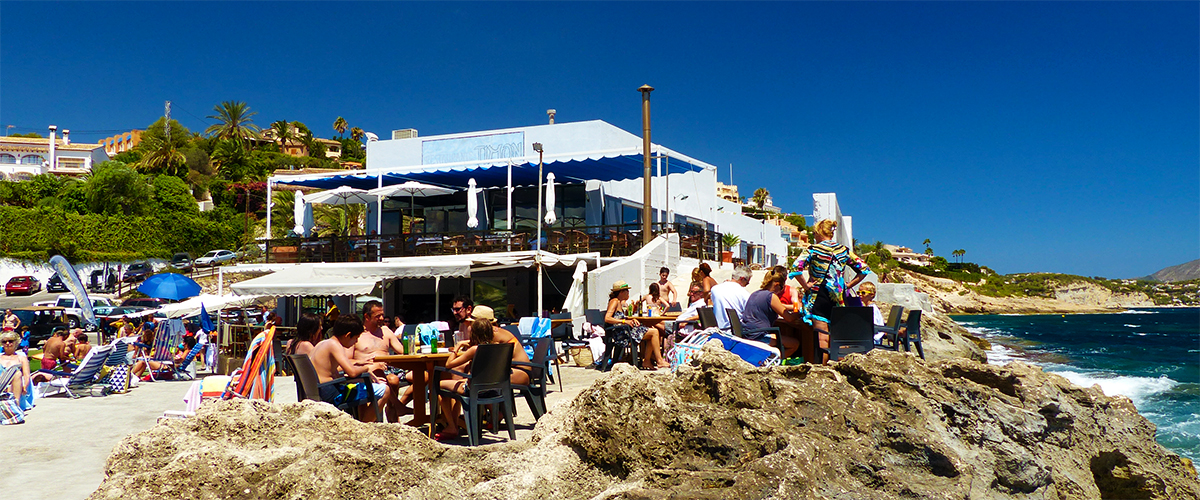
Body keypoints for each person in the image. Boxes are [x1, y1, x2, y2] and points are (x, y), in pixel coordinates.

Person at [436, 315, 532, 440]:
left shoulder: (474, 350)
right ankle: (465, 420)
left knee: (438, 385)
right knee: (463, 376)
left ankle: (452, 426)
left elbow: (449, 364)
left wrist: (457, 347)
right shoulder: (497, 346)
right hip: (492, 387)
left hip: (474, 389)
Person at [795, 219, 872, 361]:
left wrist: (806, 286)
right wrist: (848, 285)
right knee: (840, 337)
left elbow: (796, 268)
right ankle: (841, 368)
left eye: (814, 233)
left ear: (819, 232)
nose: (814, 236)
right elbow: (864, 269)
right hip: (839, 297)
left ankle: (823, 369)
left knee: (822, 338)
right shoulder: (843, 250)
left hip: (819, 296)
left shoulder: (813, 249)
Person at [309, 314, 381, 422]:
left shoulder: (322, 343)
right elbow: (352, 372)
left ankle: (361, 421)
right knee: (385, 390)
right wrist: (366, 368)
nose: (356, 342)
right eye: (356, 338)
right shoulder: (335, 345)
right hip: (331, 393)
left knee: (360, 385)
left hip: (318, 390)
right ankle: (364, 426)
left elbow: (331, 371)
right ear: (348, 335)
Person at [354, 300, 405, 423]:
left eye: (382, 315)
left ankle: (394, 414)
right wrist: (369, 365)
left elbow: (402, 351)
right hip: (365, 373)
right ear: (366, 316)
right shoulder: (357, 334)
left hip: (387, 370)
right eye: (378, 316)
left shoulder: (385, 331)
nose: (382, 318)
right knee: (388, 378)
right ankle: (397, 408)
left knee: (396, 379)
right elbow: (347, 360)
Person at [605, 281, 667, 370]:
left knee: (652, 331)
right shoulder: (614, 301)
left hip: (624, 330)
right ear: (621, 292)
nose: (628, 293)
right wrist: (624, 321)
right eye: (627, 291)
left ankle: (647, 361)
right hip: (621, 334)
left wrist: (629, 319)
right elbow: (607, 318)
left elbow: (618, 317)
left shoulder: (619, 302)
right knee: (654, 332)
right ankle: (659, 361)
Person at [741, 271, 802, 357]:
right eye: (782, 287)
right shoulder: (771, 296)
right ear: (777, 285)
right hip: (758, 336)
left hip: (748, 333)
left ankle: (769, 359)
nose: (781, 290)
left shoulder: (755, 293)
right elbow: (789, 318)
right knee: (794, 344)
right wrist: (799, 313)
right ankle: (774, 362)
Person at [130, 335, 198, 380]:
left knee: (143, 361)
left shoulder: (187, 351)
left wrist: (171, 359)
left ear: (187, 343)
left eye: (184, 342)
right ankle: (136, 377)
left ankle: (130, 375)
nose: (182, 344)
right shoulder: (187, 351)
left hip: (168, 366)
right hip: (169, 365)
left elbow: (180, 361)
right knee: (145, 360)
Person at [710, 266, 753, 331]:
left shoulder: (714, 289)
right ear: (742, 278)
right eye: (747, 282)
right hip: (735, 331)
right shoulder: (745, 294)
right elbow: (749, 315)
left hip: (717, 330)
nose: (747, 284)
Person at [0, 330, 31, 408]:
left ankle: (16, 405)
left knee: (17, 374)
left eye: (10, 341)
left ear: (16, 342)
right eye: (4, 342)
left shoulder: (21, 358)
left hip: (15, 385)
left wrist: (25, 386)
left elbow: (27, 375)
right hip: (1, 384)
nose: (7, 343)